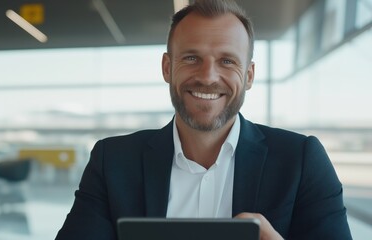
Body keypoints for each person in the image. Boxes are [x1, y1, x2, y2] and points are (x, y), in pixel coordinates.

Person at [56, 0, 352, 239]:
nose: (208, 77)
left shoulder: (302, 161)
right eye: (191, 58)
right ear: (167, 67)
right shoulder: (113, 161)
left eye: (227, 61)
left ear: (248, 76)